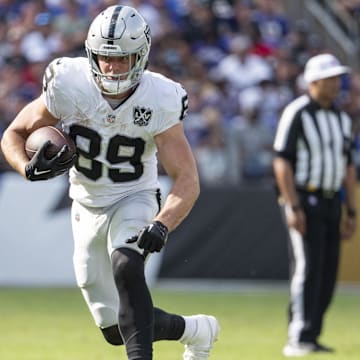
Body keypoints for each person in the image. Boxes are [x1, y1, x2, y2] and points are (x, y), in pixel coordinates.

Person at [0, 5, 219, 360]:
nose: (112, 67)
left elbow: (187, 178)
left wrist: (162, 224)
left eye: (123, 59)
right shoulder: (68, 83)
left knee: (126, 263)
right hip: (86, 203)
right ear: (91, 54)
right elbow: (14, 133)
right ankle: (195, 329)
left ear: (142, 56)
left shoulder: (160, 97)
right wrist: (25, 166)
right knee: (116, 330)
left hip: (134, 194)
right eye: (105, 58)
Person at [273, 53, 357, 357]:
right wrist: (292, 206)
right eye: (331, 78)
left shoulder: (342, 117)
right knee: (307, 268)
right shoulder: (296, 112)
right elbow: (282, 161)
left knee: (327, 270)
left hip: (332, 199)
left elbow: (348, 166)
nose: (337, 84)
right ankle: (298, 336)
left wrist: (351, 210)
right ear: (314, 81)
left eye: (338, 78)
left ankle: (313, 333)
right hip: (304, 198)